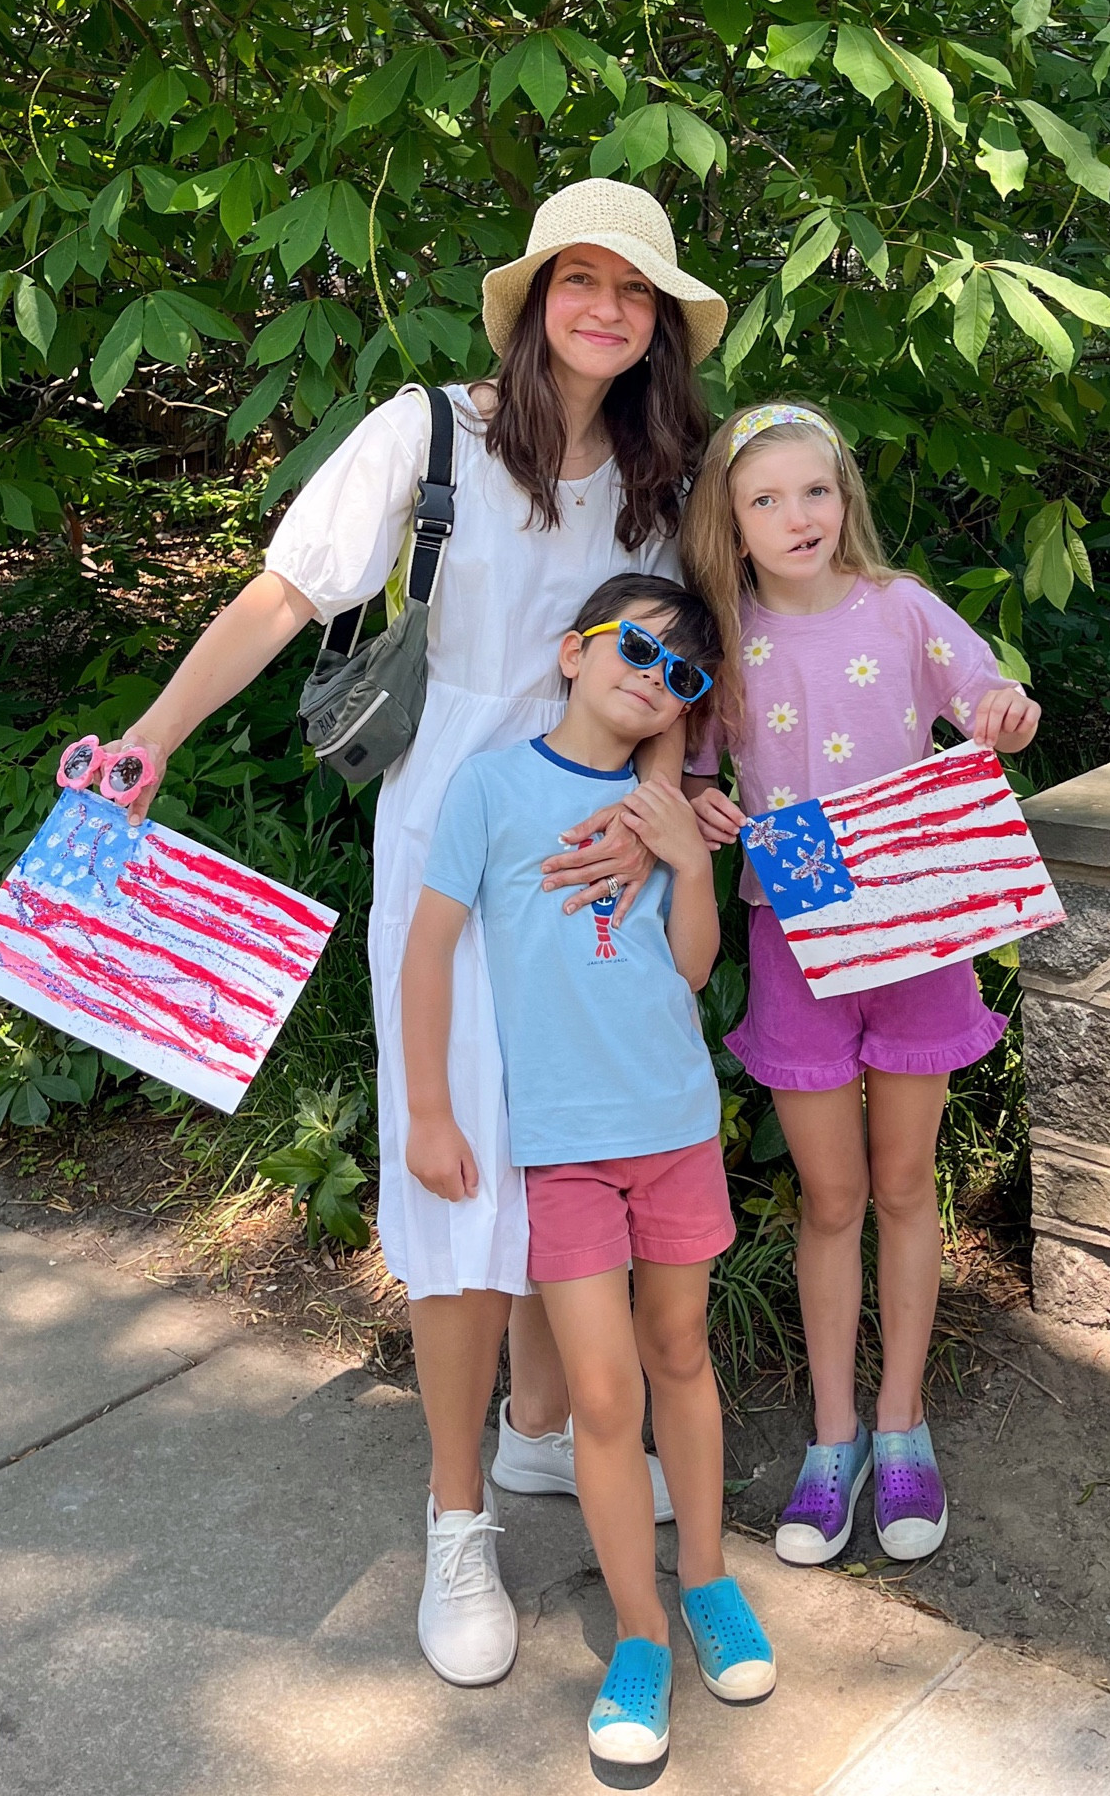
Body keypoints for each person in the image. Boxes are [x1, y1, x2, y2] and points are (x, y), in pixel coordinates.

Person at [71, 181, 729, 1686]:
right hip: (448, 847)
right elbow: (284, 594)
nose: (607, 310)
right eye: (581, 278)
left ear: (658, 329)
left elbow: (684, 666)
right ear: (530, 297)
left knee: (573, 1154)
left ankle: (537, 1433)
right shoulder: (424, 433)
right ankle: (454, 1526)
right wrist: (153, 736)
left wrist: (661, 809)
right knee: (458, 1179)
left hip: (596, 868)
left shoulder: (662, 471)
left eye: (636, 292)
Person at [402, 573, 774, 1771]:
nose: (653, 676)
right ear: (571, 650)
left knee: (680, 1358)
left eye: (682, 674)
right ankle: (638, 1633)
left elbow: (689, 970)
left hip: (674, 1123)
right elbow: (427, 948)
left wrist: (689, 856)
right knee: (605, 1398)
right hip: (558, 1148)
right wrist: (426, 1111)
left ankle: (708, 1581)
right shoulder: (493, 786)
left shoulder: (663, 806)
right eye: (636, 649)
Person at [679, 402, 1041, 1570]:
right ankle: (831, 1431)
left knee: (900, 1183)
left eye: (816, 492)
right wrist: (698, 804)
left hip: (920, 919)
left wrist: (1002, 712)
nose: (797, 517)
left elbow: (989, 706)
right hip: (799, 928)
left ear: (847, 498)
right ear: (730, 525)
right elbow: (683, 772)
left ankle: (900, 1421)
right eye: (766, 499)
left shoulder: (900, 608)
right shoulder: (721, 637)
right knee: (829, 1198)